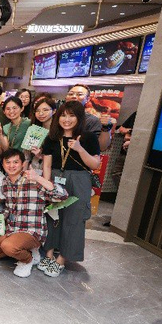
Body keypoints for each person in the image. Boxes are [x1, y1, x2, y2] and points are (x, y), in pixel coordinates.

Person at [0, 149, 68, 278]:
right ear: (3, 165)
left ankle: (27, 259)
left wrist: (38, 177)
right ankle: (26, 250)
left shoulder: (33, 179)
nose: (11, 165)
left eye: (15, 162)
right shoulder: (5, 182)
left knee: (8, 246)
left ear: (23, 164)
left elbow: (63, 196)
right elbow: (8, 207)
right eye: (8, 162)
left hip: (31, 230)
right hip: (12, 228)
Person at [40, 101, 101, 277]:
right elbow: (47, 164)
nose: (66, 120)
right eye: (63, 115)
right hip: (55, 179)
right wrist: (47, 185)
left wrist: (80, 149)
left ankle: (61, 260)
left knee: (74, 220)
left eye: (71, 115)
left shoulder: (88, 138)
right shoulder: (52, 137)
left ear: (79, 118)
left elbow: (95, 164)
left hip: (79, 180)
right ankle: (49, 255)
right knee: (52, 216)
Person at [65, 84, 111, 151]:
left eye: (79, 94)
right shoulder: (57, 116)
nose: (74, 96)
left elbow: (101, 147)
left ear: (87, 99)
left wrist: (106, 127)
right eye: (70, 94)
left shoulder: (92, 120)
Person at [28, 96, 57, 173]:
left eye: (45, 110)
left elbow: (59, 157)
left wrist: (41, 156)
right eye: (37, 111)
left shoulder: (59, 131)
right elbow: (27, 154)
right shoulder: (34, 129)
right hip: (35, 168)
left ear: (54, 111)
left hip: (52, 171)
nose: (41, 113)